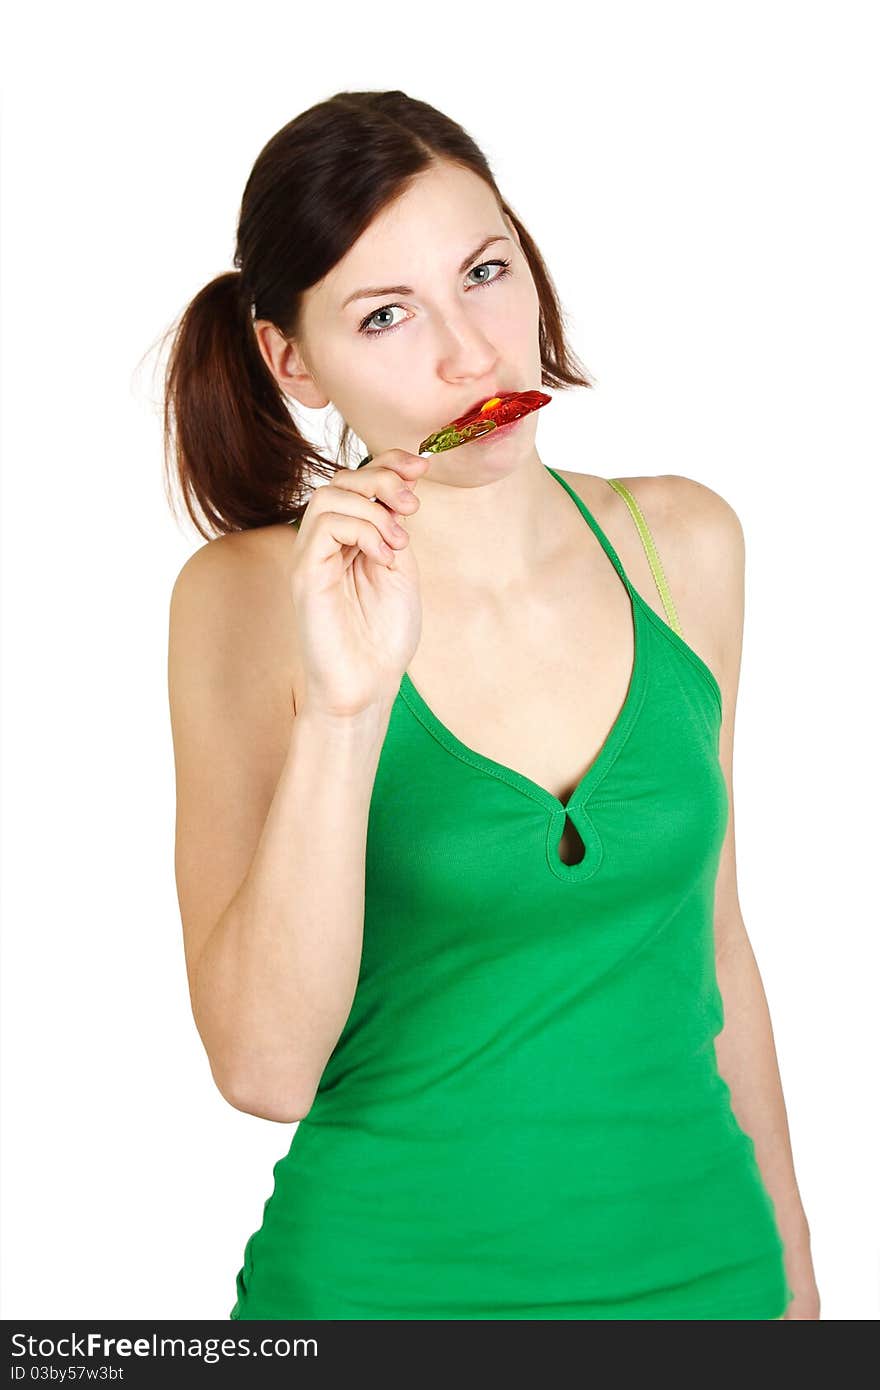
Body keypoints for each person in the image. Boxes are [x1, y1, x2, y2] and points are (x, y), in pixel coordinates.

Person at [164, 89, 818, 1320]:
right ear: (290, 358)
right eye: (385, 314)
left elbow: (718, 946)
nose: (471, 355)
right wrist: (346, 712)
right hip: (378, 1298)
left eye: (483, 270)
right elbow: (262, 1068)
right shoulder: (240, 603)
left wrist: (794, 1275)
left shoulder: (685, 543)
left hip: (709, 1283)